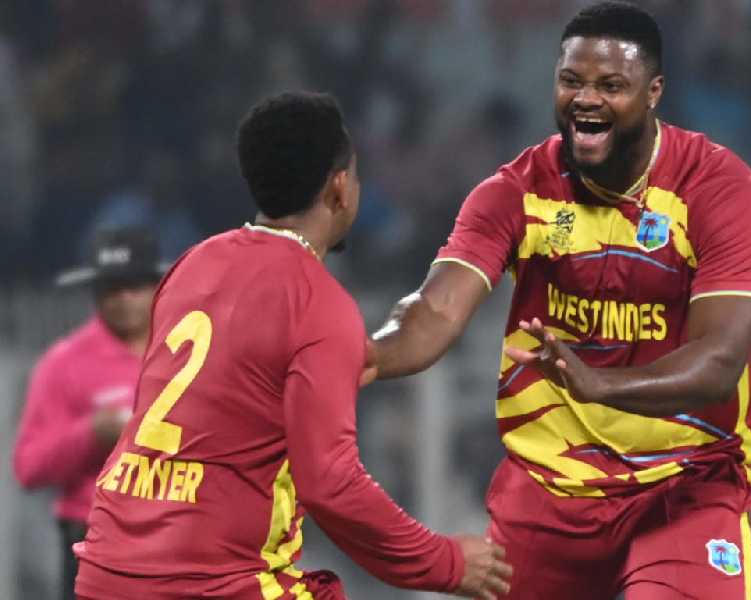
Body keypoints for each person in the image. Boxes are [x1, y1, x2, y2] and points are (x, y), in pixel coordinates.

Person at [362, 3, 751, 598]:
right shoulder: (514, 191)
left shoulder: (721, 191)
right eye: (571, 81)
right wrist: (363, 356)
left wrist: (601, 386)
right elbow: (434, 309)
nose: (587, 99)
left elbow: (719, 361)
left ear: (653, 91)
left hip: (683, 488)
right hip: (548, 497)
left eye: (612, 86)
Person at [73, 92, 511, 600]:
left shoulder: (191, 266)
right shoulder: (318, 303)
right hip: (213, 581)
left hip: (106, 568)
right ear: (340, 188)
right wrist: (448, 562)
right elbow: (331, 483)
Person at [13, 226, 165, 600]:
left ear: (157, 286)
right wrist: (91, 434)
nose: (124, 298)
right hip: (95, 543)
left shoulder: (188, 352)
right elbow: (29, 467)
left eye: (135, 286)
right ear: (95, 292)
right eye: (112, 288)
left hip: (174, 540)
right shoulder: (65, 363)